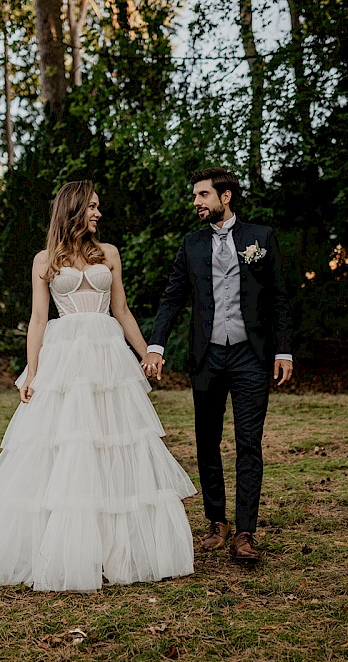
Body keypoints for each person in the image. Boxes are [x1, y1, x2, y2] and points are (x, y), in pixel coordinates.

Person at [0, 181, 196, 592]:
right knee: (69, 445)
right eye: (93, 207)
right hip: (64, 359)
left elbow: (121, 309)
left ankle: (116, 545)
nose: (98, 214)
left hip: (105, 356)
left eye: (99, 207)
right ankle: (67, 542)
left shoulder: (109, 254)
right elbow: (39, 319)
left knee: (113, 442)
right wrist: (31, 372)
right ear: (74, 209)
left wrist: (147, 352)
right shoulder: (45, 259)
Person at [141, 167, 292, 563]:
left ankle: (245, 533)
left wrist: (283, 350)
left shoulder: (260, 238)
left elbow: (278, 297)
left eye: (204, 195)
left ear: (225, 197)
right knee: (207, 441)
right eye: (195, 196)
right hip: (207, 356)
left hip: (250, 356)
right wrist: (155, 345)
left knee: (248, 443)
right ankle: (216, 521)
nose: (197, 202)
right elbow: (172, 297)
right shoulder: (191, 244)